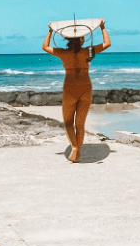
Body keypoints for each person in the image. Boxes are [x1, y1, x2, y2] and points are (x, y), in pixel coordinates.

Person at [42, 20, 111, 163]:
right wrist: (102, 27)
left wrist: (50, 30)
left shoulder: (62, 53)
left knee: (68, 123)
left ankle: (74, 147)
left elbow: (45, 47)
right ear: (81, 39)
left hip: (70, 88)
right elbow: (107, 43)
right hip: (86, 88)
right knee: (80, 124)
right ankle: (77, 152)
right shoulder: (88, 51)